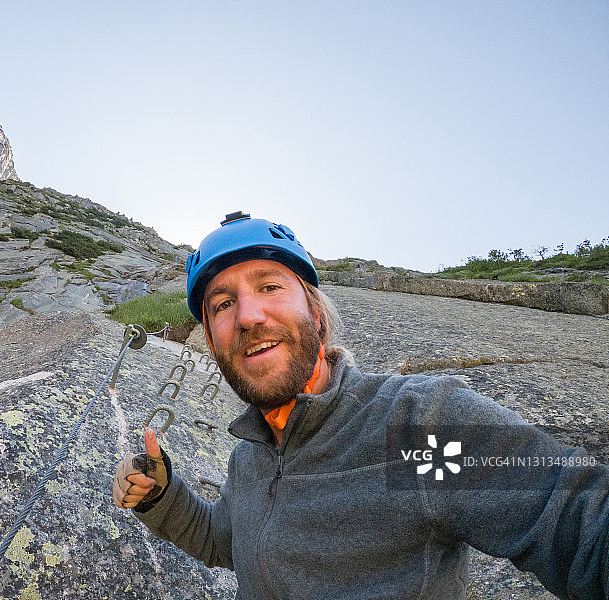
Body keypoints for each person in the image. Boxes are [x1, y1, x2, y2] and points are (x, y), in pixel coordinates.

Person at [112, 211, 609, 599]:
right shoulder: (251, 455)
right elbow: (227, 541)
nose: (248, 316)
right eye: (222, 304)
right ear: (212, 341)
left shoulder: (413, 426)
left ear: (316, 315)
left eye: (270, 286)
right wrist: (163, 496)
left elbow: (576, 518)